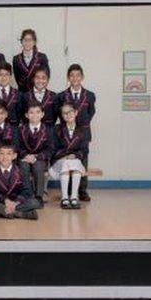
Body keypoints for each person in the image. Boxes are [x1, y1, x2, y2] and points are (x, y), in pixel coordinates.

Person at [57, 64, 96, 201]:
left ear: (82, 77)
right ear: (68, 77)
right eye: (72, 75)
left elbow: (91, 112)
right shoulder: (61, 96)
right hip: (66, 133)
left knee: (83, 160)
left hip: (83, 132)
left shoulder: (90, 96)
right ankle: (67, 191)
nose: (75, 78)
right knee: (68, 160)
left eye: (78, 75)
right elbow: (60, 114)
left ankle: (82, 190)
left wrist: (81, 127)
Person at [0, 144, 40, 220]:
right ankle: (20, 214)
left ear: (14, 156)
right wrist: (6, 201)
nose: (5, 157)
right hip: (2, 202)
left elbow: (27, 191)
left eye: (9, 154)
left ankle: (1, 212)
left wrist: (15, 203)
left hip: (17, 202)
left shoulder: (21, 170)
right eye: (2, 154)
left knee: (35, 202)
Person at [50, 104, 89, 209]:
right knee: (68, 163)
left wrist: (74, 155)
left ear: (76, 112)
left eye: (70, 111)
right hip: (59, 160)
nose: (68, 115)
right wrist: (66, 155)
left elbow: (85, 150)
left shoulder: (83, 129)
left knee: (74, 163)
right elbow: (53, 148)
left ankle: (73, 197)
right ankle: (65, 197)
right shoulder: (57, 129)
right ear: (62, 116)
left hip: (74, 160)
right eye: (64, 113)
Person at [19, 104, 53, 206]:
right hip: (25, 157)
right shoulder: (21, 129)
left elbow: (50, 149)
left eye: (38, 112)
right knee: (23, 167)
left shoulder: (48, 130)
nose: (34, 115)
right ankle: (27, 195)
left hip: (40, 158)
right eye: (31, 112)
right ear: (26, 115)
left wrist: (36, 157)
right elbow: (18, 146)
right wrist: (26, 156)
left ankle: (39, 197)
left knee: (38, 166)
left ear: (42, 114)